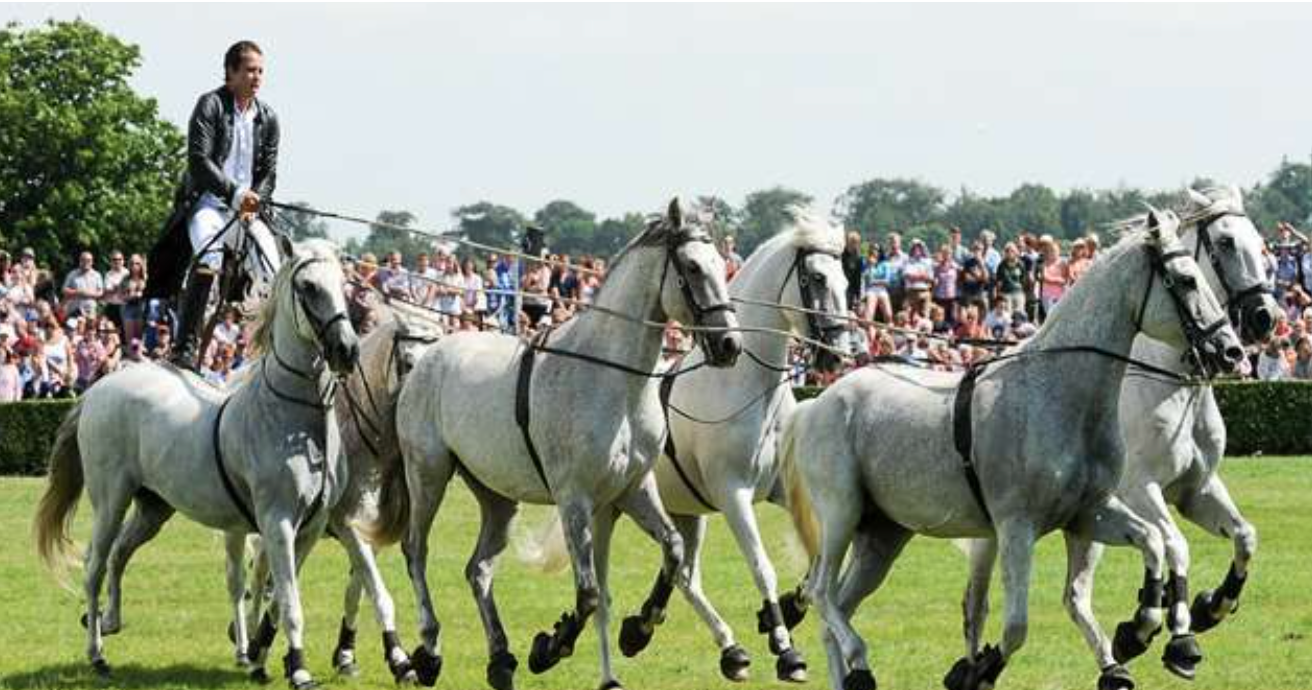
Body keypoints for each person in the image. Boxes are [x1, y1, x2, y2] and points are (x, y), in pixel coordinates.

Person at [146, 40, 282, 371]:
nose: (257, 77)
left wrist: (255, 199)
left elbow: (269, 172)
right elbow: (199, 162)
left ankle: (273, 348)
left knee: (273, 270)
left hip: (247, 213)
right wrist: (236, 194)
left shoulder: (268, 117)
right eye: (250, 70)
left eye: (261, 71)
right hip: (207, 205)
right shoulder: (209, 105)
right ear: (230, 72)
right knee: (209, 253)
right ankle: (186, 347)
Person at [62, 251, 105, 319]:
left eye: (88, 260)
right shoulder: (72, 274)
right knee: (72, 328)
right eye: (83, 260)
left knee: (90, 329)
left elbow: (101, 293)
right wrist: (77, 292)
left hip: (90, 310)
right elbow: (64, 290)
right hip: (74, 309)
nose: (86, 262)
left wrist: (87, 294)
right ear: (80, 261)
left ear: (92, 262)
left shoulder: (97, 275)